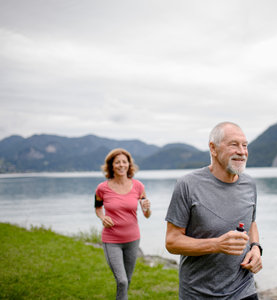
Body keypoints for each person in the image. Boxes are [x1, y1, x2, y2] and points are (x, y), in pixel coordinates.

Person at [165, 121, 263, 300]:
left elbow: (252, 223)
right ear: (213, 148)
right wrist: (216, 245)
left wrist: (256, 248)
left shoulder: (250, 185)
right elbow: (172, 241)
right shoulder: (187, 185)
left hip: (244, 289)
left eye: (245, 145)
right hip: (199, 293)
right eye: (234, 144)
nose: (242, 151)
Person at [94, 148, 151, 300]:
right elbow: (98, 207)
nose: (121, 165)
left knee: (128, 280)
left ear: (129, 165)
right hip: (112, 240)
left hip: (133, 240)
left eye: (124, 162)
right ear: (111, 166)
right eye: (117, 162)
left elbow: (146, 214)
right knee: (122, 280)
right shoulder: (102, 188)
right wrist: (102, 217)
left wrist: (147, 209)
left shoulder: (138, 186)